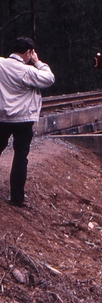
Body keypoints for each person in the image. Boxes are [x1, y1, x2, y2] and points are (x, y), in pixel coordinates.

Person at [0, 37, 55, 207]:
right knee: (20, 157)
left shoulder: (1, 64)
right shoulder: (28, 71)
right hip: (23, 119)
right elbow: (49, 78)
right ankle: (17, 198)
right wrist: (38, 62)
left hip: (2, 117)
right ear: (28, 52)